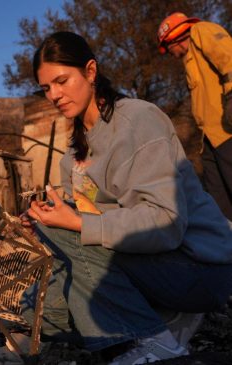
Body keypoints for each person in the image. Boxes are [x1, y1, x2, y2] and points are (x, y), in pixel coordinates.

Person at [20, 31, 232, 364]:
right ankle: (158, 317)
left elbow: (166, 223)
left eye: (62, 81)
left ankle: (157, 342)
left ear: (90, 72)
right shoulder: (71, 156)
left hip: (199, 268)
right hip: (145, 266)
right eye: (46, 88)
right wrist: (48, 217)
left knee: (63, 233)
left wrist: (73, 222)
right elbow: (89, 220)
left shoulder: (138, 121)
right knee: (35, 307)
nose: (55, 95)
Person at [157, 12, 232, 221]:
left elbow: (228, 55)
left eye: (168, 47)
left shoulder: (201, 31)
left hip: (227, 131)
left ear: (174, 38)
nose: (170, 53)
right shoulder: (190, 60)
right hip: (210, 139)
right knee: (219, 199)